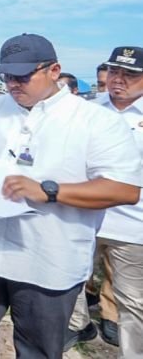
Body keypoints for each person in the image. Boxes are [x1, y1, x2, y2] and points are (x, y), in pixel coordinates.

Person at [0, 34, 142, 359]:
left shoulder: (96, 121)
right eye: (6, 76)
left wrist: (50, 191)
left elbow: (124, 189)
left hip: (48, 257)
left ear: (54, 70)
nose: (12, 84)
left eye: (22, 76)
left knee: (37, 349)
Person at [68, 46, 143, 356]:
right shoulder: (88, 111)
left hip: (135, 224)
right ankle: (77, 326)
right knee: (72, 280)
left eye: (130, 74)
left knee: (134, 301)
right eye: (114, 72)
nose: (118, 80)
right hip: (86, 217)